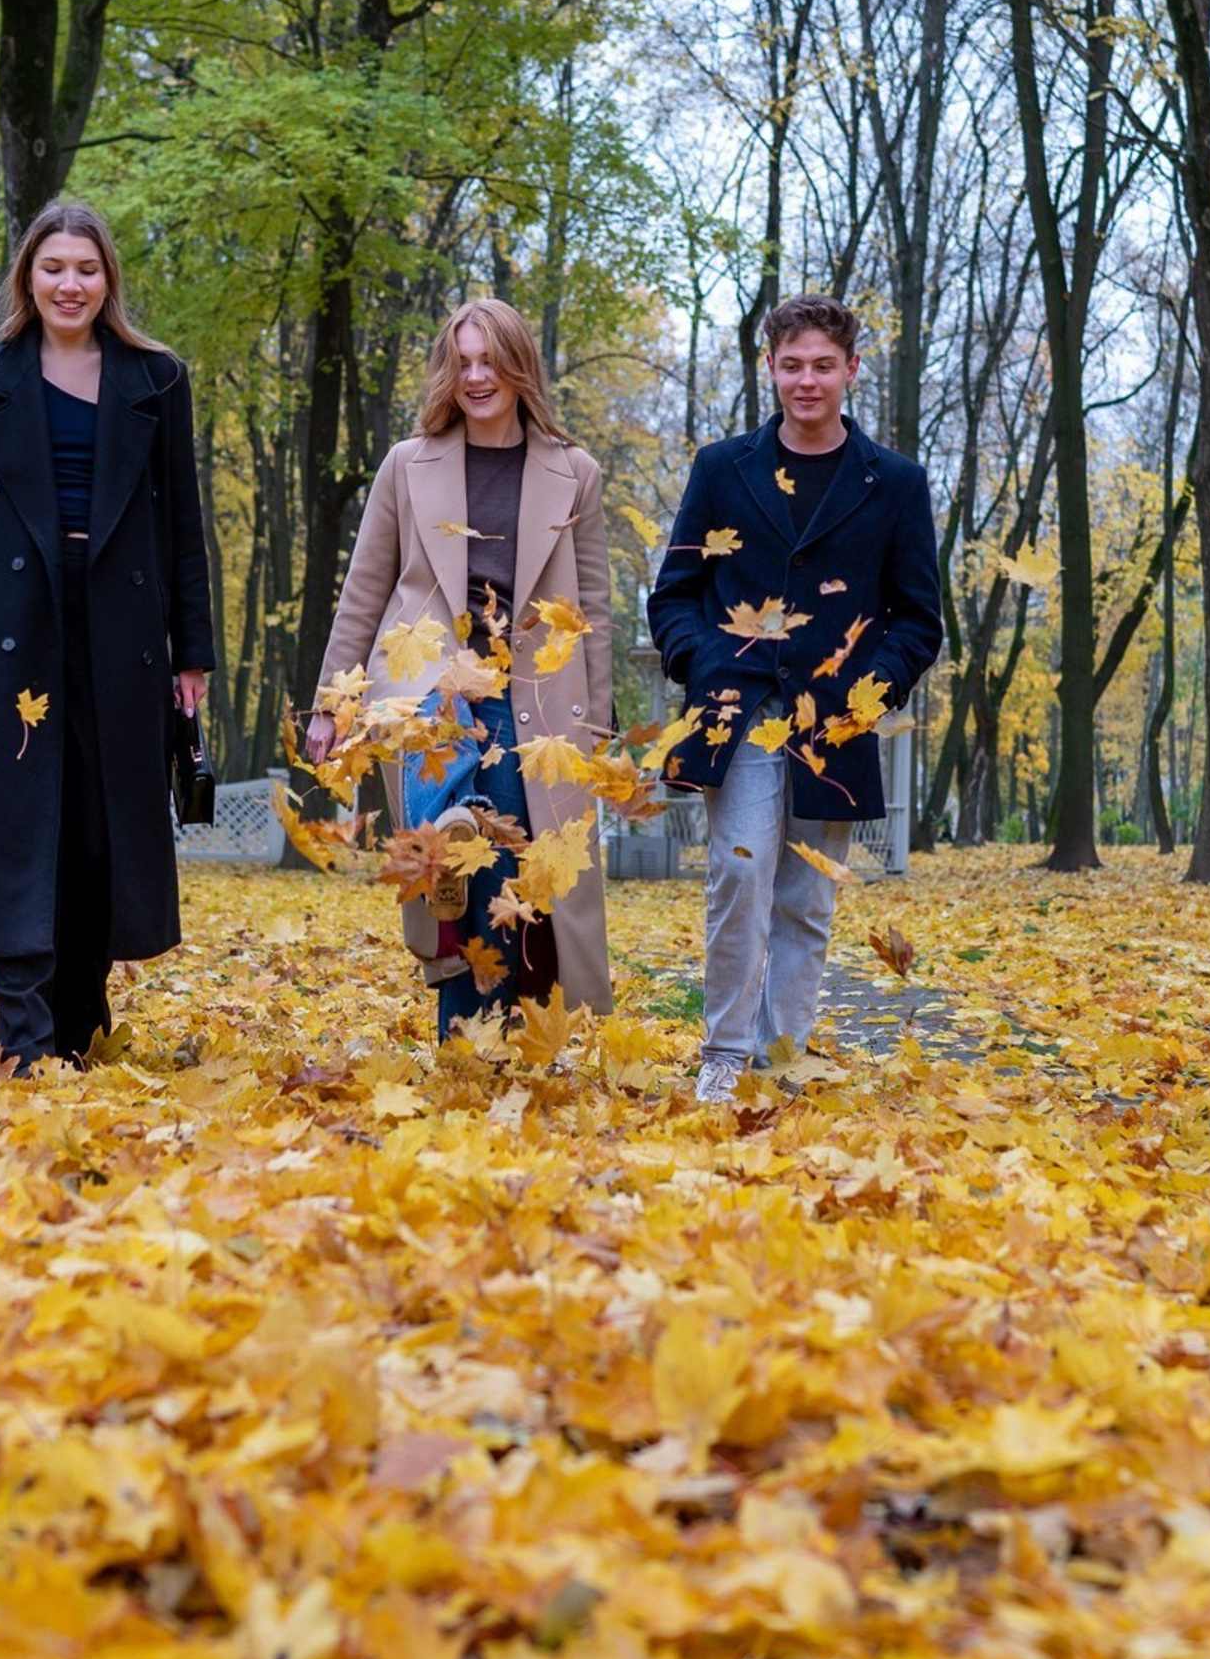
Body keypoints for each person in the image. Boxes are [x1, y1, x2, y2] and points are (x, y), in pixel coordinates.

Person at [0, 202, 216, 1071]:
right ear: (28, 278)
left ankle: (78, 1024)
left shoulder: (158, 380)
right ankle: (24, 1039)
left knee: (99, 826)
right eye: (53, 268)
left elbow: (183, 525)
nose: (70, 284)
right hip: (6, 628)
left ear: (107, 280)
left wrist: (194, 653)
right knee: (21, 822)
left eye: (86, 269)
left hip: (122, 627)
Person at [648, 294, 943, 1101]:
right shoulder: (722, 469)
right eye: (791, 365)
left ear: (851, 370)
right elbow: (674, 594)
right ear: (769, 368)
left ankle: (784, 1055)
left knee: (806, 897)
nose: (806, 381)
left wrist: (863, 694)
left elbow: (919, 618)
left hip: (835, 723)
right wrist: (705, 659)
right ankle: (725, 1051)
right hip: (737, 711)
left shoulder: (895, 483)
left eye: (822, 366)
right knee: (739, 872)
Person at [311, 300, 615, 1035]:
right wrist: (330, 704)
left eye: (491, 361)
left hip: (530, 696)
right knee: (459, 849)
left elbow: (595, 608)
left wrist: (598, 730)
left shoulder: (572, 472)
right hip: (427, 687)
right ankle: (467, 1028)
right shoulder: (407, 466)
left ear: (519, 369)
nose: (477, 377)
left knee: (508, 871)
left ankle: (496, 1029)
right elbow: (364, 589)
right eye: (464, 362)